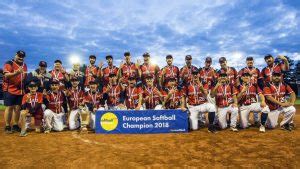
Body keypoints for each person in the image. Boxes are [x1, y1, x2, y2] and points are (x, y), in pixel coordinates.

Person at [3, 50, 28, 133]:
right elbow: (6, 75)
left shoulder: (25, 65)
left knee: (17, 108)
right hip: (9, 89)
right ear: (15, 55)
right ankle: (7, 126)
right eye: (19, 56)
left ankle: (15, 125)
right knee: (9, 107)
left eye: (22, 56)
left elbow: (25, 77)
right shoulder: (9, 63)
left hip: (20, 90)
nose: (21, 58)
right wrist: (16, 72)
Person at [237, 57, 262, 126]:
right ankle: (244, 120)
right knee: (243, 104)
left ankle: (256, 121)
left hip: (254, 89)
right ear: (246, 62)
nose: (250, 63)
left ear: (253, 62)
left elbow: (260, 81)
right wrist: (240, 88)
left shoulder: (257, 70)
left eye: (251, 61)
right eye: (248, 62)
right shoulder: (242, 70)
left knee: (254, 104)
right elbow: (238, 80)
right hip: (244, 89)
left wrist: (259, 89)